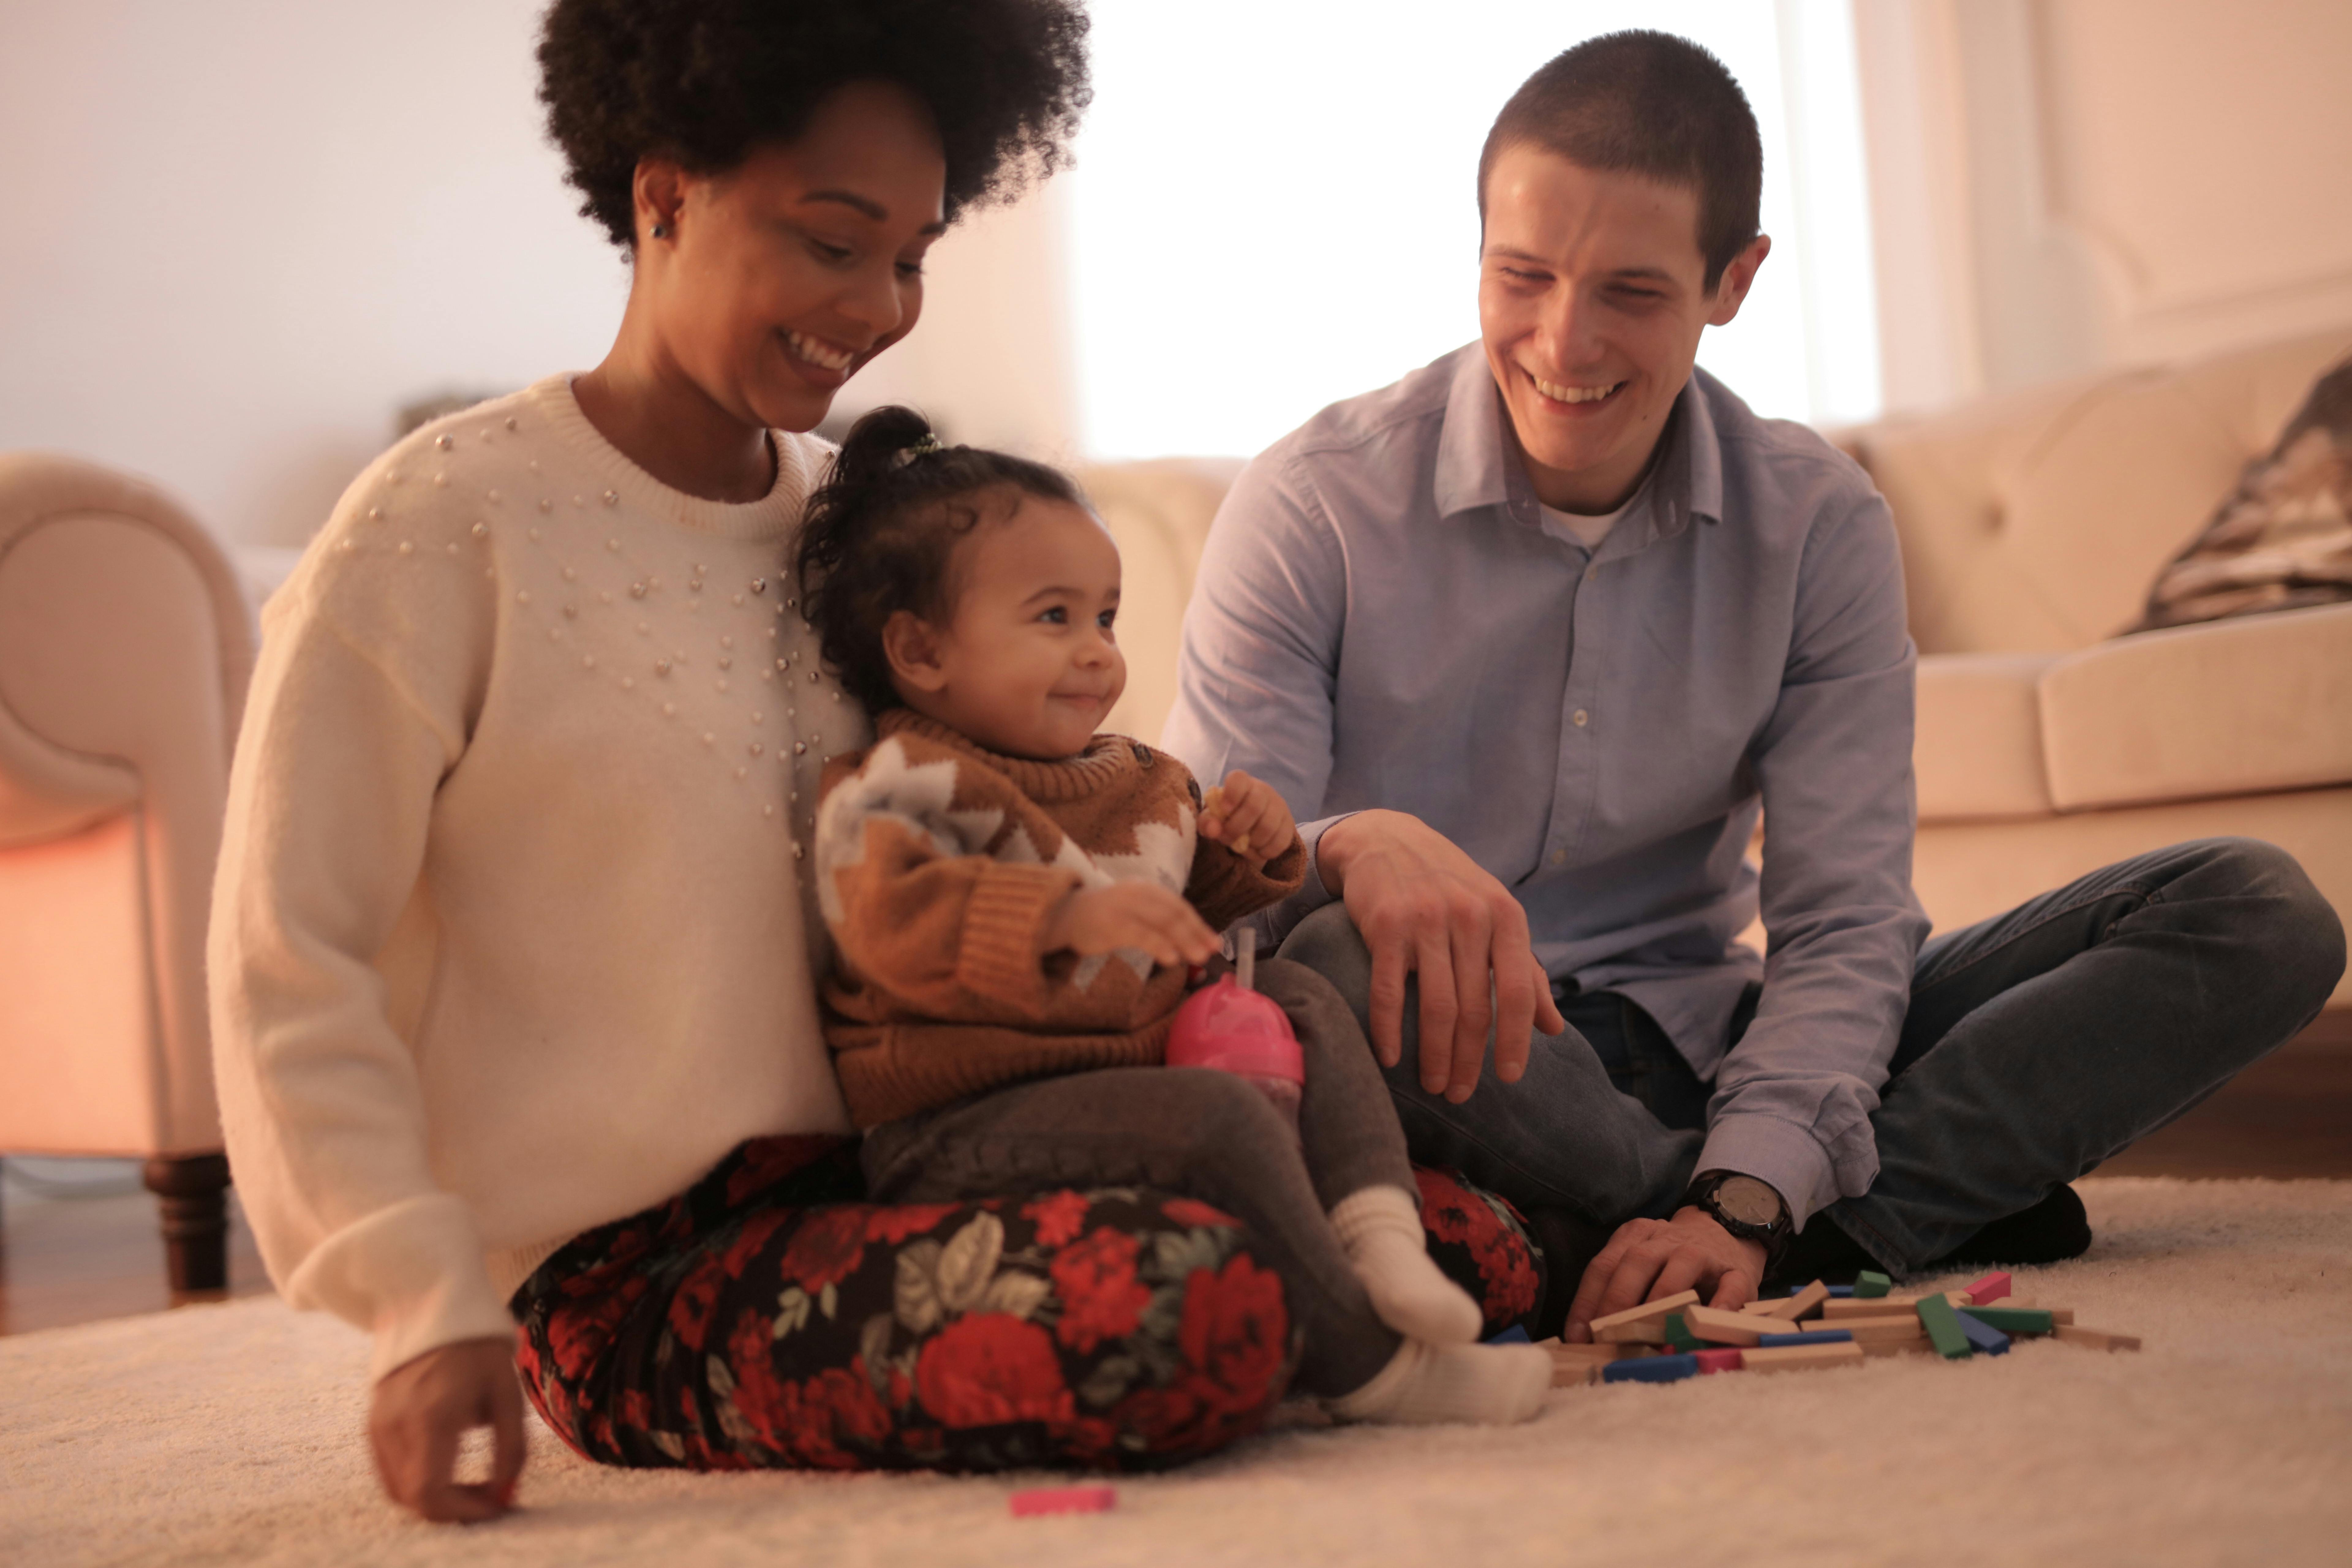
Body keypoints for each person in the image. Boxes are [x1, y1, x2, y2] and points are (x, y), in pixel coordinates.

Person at [210, 0, 1340, 1525]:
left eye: (914, 256)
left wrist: (1300, 850)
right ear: (662, 192)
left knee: (1429, 1200)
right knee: (1188, 1303)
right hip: (630, 1273)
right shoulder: (438, 526)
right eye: (833, 240)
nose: (878, 303)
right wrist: (418, 1300)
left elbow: (1060, 796)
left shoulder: (869, 528)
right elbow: (290, 952)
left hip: (917, 1155)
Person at [1162, 30, 2346, 1344]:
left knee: (2254, 910)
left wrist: (1745, 1181)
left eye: (1631, 290)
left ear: (1733, 281)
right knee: (1328, 962)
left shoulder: (1818, 523)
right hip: (1473, 1057)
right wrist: (1351, 840)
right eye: (1524, 276)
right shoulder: (1312, 504)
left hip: (1721, 1034)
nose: (1565, 341)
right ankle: (1864, 1209)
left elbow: (1844, 916)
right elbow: (1223, 903)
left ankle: (1751, 1228)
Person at [794, 406, 1552, 1427]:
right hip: (956, 1118)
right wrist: (1064, 920)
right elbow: (893, 924)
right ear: (922, 652)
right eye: (1053, 619)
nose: (1099, 654)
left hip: (1119, 1062)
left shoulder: (1137, 775)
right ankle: (1374, 1370)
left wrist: (1250, 850)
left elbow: (1187, 922)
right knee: (1219, 1119)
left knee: (1296, 992)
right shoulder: (900, 787)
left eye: (1106, 618)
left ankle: (1382, 1239)